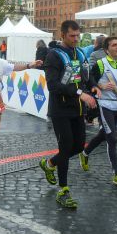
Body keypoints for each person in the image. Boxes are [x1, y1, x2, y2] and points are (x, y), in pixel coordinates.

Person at [39, 20, 97, 208]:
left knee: (78, 146)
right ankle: (63, 190)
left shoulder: (80, 53)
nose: (76, 39)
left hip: (77, 110)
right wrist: (80, 93)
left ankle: (49, 164)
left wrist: (94, 86)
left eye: (77, 35)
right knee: (65, 148)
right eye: (72, 36)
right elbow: (53, 85)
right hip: (60, 110)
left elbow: (87, 75)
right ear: (62, 35)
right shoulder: (53, 55)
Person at [79, 36, 117, 186]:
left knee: (103, 134)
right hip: (105, 105)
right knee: (112, 138)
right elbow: (89, 80)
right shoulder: (101, 64)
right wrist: (100, 86)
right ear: (106, 50)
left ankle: (85, 153)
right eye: (114, 45)